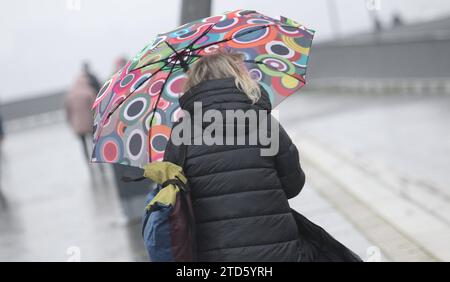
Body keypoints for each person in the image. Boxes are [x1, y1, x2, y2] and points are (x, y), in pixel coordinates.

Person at [164, 51, 306, 261]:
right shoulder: (265, 122)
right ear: (237, 76)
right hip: (279, 250)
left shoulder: (181, 134)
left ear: (193, 84)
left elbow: (173, 199)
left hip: (217, 255)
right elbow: (294, 185)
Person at [65, 63, 98, 162]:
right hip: (90, 123)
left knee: (83, 146)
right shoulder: (89, 91)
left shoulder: (70, 95)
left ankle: (88, 162)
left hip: (78, 125)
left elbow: (68, 112)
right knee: (94, 144)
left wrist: (71, 123)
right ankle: (98, 163)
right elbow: (95, 108)